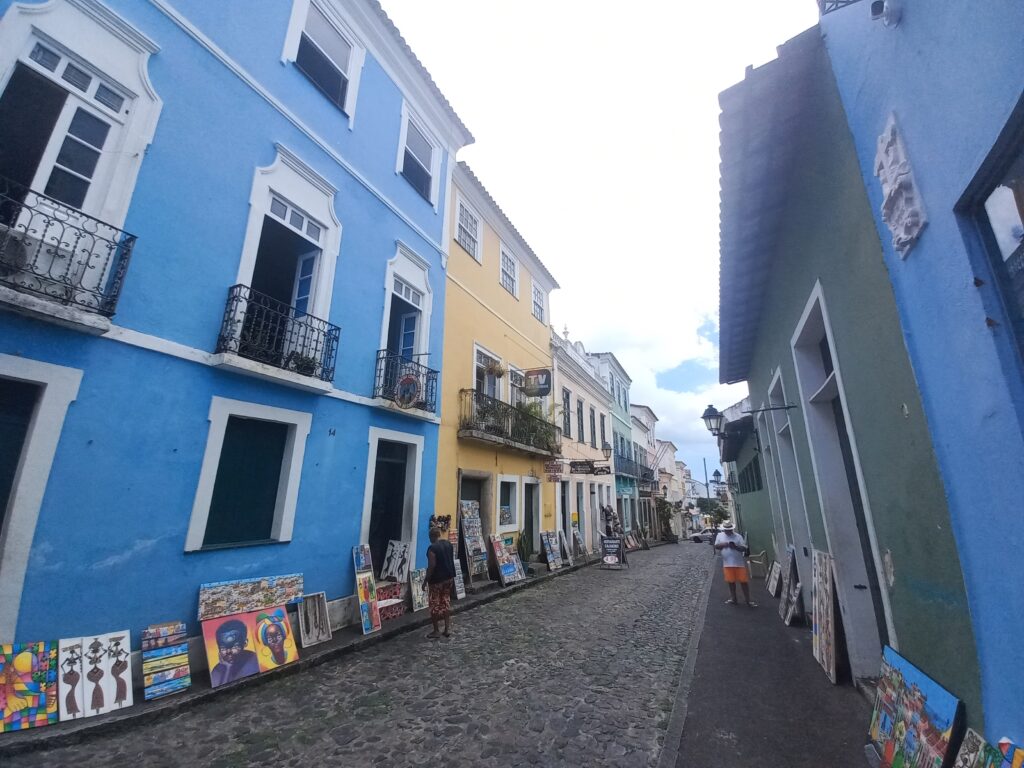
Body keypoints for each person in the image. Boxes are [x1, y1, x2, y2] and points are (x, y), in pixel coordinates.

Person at [422, 527, 456, 638]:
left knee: (434, 604)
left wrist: (425, 580)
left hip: (437, 580)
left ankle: (436, 630)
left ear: (432, 536)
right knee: (446, 601)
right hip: (449, 578)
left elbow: (432, 566)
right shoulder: (448, 544)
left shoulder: (432, 549)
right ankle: (447, 629)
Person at [714, 521, 757, 606]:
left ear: (732, 529)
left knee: (744, 582)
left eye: (729, 529)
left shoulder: (738, 536)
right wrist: (724, 544)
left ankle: (748, 600)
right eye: (726, 530)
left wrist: (736, 547)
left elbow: (744, 548)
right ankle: (734, 599)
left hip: (739, 563)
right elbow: (716, 546)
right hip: (727, 563)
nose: (728, 531)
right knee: (731, 582)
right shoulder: (720, 536)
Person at [210, 618, 260, 686]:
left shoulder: (255, 660)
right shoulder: (217, 671)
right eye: (223, 648)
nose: (228, 651)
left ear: (245, 643)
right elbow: (220, 689)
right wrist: (228, 668)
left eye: (234, 646)